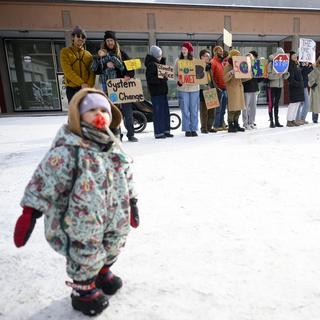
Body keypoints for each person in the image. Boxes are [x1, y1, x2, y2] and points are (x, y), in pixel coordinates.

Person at [13, 88, 139, 316]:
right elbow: (46, 178)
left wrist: (133, 202)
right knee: (85, 249)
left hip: (114, 216)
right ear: (77, 116)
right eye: (91, 110)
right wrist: (29, 212)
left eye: (104, 110)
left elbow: (127, 177)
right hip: (80, 220)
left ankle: (102, 271)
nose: (99, 114)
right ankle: (83, 291)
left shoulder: (114, 148)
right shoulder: (69, 151)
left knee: (115, 242)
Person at [102, 30, 138, 142]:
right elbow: (97, 69)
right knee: (114, 112)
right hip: (111, 87)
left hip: (124, 87)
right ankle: (117, 134)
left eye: (111, 40)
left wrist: (128, 75)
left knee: (128, 112)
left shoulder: (122, 54)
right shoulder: (102, 55)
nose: (110, 42)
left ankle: (131, 134)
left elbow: (131, 67)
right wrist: (105, 65)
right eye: (107, 40)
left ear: (115, 41)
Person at [60, 26, 95, 102]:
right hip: (72, 89)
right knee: (75, 112)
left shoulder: (88, 55)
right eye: (78, 36)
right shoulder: (65, 52)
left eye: (83, 37)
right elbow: (67, 71)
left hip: (85, 88)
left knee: (86, 111)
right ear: (73, 37)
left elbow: (92, 71)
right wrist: (81, 83)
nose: (80, 39)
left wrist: (89, 85)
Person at [145, 45, 173, 139]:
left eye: (160, 56)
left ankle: (166, 130)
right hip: (156, 92)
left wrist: (163, 63)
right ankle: (159, 132)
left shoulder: (158, 64)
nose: (160, 57)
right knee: (158, 113)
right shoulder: (151, 65)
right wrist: (162, 79)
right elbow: (151, 80)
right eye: (159, 56)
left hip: (162, 91)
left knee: (165, 112)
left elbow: (162, 74)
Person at [174, 42, 200, 137]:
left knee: (194, 110)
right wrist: (178, 81)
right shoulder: (178, 61)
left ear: (189, 50)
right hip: (183, 88)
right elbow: (175, 74)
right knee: (185, 109)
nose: (183, 50)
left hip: (194, 88)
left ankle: (194, 128)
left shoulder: (194, 61)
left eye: (185, 49)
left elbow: (199, 74)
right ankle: (187, 129)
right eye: (182, 49)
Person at [223, 49, 246, 133]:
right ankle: (230, 124)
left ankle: (236, 123)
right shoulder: (227, 67)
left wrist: (247, 72)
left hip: (239, 89)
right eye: (237, 55)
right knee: (232, 108)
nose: (238, 57)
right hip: (232, 90)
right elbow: (224, 79)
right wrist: (231, 72)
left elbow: (244, 78)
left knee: (238, 108)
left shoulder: (240, 65)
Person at [267, 47, 289, 128]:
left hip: (280, 86)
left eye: (283, 54)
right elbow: (268, 76)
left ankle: (277, 121)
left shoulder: (284, 63)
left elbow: (285, 77)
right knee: (271, 104)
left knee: (277, 104)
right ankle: (271, 121)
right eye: (280, 54)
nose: (281, 56)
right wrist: (277, 75)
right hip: (272, 86)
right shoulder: (271, 63)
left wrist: (286, 74)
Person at [199, 49, 217, 133]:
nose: (208, 57)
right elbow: (197, 81)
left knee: (212, 110)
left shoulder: (209, 66)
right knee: (204, 111)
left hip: (211, 89)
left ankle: (209, 126)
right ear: (201, 57)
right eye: (206, 56)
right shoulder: (198, 66)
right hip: (203, 90)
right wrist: (205, 87)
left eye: (209, 56)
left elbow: (212, 78)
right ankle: (204, 128)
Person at [210, 46, 227, 131]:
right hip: (217, 88)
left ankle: (221, 123)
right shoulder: (213, 62)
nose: (221, 52)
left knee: (223, 108)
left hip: (224, 88)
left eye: (222, 51)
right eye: (219, 51)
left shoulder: (221, 62)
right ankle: (216, 125)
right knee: (217, 109)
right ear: (215, 52)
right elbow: (211, 76)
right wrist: (216, 87)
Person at [286, 51, 304, 127]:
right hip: (294, 88)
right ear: (290, 57)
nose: (295, 56)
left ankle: (293, 119)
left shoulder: (297, 64)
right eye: (293, 55)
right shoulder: (290, 65)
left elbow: (302, 75)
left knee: (297, 104)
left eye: (296, 55)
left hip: (299, 88)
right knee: (293, 104)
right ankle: (289, 120)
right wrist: (298, 84)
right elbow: (290, 79)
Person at [242, 51, 259, 130]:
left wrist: (263, 75)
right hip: (246, 89)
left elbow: (258, 80)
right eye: (248, 58)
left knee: (253, 107)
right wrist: (249, 77)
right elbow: (242, 79)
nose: (250, 59)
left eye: (251, 58)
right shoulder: (243, 66)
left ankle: (251, 122)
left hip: (254, 89)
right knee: (246, 107)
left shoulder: (255, 67)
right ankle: (245, 123)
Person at [308, 56, 320, 123]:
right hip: (316, 88)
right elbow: (310, 76)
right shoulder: (315, 68)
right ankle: (315, 119)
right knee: (316, 103)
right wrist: (313, 84)